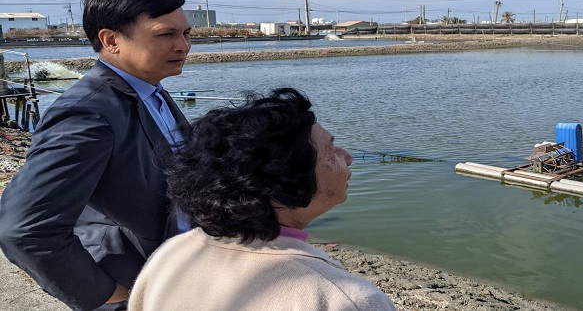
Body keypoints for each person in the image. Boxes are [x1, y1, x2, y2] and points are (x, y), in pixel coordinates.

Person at [0, 0, 192, 310]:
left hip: (172, 272)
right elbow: (23, 227)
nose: (183, 45)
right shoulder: (88, 111)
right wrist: (105, 294)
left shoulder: (150, 91)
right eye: (166, 35)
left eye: (187, 33)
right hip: (133, 283)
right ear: (111, 40)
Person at [129, 88, 396, 311]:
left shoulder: (172, 255)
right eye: (330, 152)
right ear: (281, 182)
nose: (347, 156)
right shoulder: (343, 298)